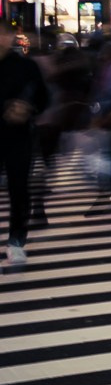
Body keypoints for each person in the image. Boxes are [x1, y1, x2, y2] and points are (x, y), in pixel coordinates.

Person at [0, 30, 51, 267]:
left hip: (18, 135)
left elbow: (43, 98)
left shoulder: (25, 66)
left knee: (19, 188)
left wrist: (28, 108)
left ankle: (17, 241)